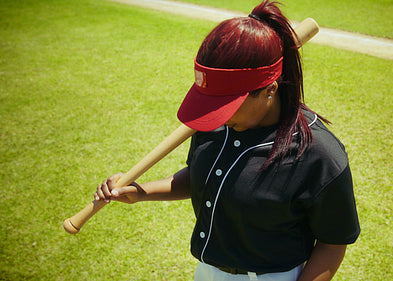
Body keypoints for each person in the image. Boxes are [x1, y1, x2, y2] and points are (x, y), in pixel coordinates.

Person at [95, 1, 360, 280]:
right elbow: (202, 176)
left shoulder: (318, 154)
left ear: (269, 90)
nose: (217, 117)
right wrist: (141, 192)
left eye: (226, 106)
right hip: (208, 272)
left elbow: (333, 243)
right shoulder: (214, 120)